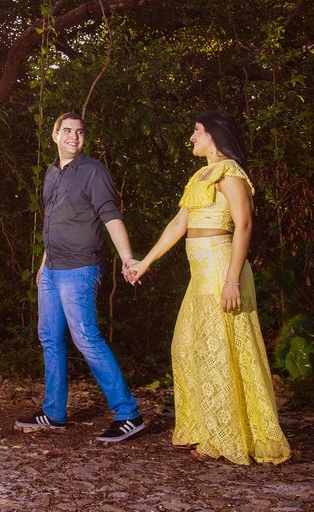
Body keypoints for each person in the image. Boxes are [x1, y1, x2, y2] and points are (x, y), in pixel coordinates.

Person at [126, 110, 291, 465]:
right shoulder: (200, 175)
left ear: (214, 134)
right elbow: (178, 224)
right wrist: (145, 262)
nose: (192, 137)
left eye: (197, 131)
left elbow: (244, 225)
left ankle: (225, 436)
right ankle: (205, 426)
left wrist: (232, 280)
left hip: (221, 270)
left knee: (222, 351)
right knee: (188, 347)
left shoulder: (230, 172)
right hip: (200, 276)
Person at [15, 112, 145, 443]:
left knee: (85, 336)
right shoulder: (52, 173)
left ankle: (128, 413)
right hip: (53, 270)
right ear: (55, 136)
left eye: (80, 132)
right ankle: (54, 413)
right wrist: (45, 262)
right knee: (49, 337)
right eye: (68, 131)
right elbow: (53, 221)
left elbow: (111, 216)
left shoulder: (93, 171)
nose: (75, 136)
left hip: (80, 268)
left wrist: (128, 258)